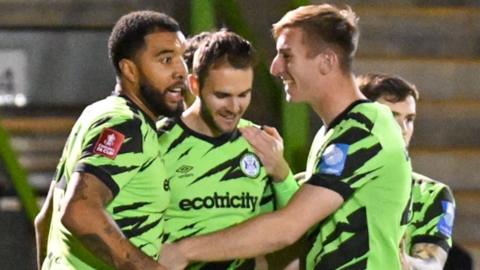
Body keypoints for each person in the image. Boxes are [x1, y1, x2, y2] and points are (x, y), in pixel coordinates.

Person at [159, 4, 412, 270]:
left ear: (326, 61)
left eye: (287, 56)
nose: (275, 67)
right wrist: (281, 174)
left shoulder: (363, 130)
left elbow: (287, 227)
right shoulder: (336, 131)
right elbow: (314, 228)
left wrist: (183, 251)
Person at [33, 10, 187, 270]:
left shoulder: (96, 114)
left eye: (183, 58)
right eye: (166, 59)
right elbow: (80, 210)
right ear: (129, 69)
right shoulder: (125, 125)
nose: (181, 71)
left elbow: (45, 221)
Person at [157, 30, 299, 269]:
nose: (234, 107)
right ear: (194, 84)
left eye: (244, 95)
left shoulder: (259, 141)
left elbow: (293, 224)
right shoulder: (157, 141)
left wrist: (281, 171)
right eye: (222, 95)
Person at [356, 73, 457, 270]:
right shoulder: (329, 184)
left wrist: (406, 262)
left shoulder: (431, 194)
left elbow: (433, 264)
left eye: (409, 119)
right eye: (391, 116)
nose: (403, 128)